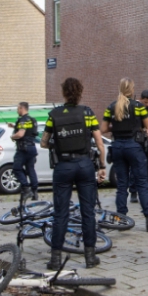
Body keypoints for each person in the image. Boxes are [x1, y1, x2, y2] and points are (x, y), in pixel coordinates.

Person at [41, 78, 106, 269]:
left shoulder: (54, 115)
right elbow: (100, 143)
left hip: (63, 167)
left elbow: (44, 142)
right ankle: (90, 257)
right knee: (88, 212)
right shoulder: (87, 113)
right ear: (80, 92)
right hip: (85, 166)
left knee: (60, 213)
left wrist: (58, 144)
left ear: (64, 93)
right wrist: (102, 166)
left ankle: (55, 259)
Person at [102, 79, 148, 234]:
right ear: (132, 90)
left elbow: (103, 128)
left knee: (122, 185)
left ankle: (121, 219)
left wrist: (116, 126)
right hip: (134, 146)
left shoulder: (112, 107)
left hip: (117, 147)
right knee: (142, 183)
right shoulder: (139, 107)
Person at [12, 102, 39, 200]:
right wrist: (13, 126)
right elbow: (29, 132)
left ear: (21, 108)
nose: (17, 110)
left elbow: (20, 134)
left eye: (18, 108)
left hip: (23, 148)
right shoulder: (32, 120)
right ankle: (34, 192)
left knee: (16, 168)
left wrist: (13, 136)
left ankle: (26, 188)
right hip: (32, 147)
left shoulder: (23, 120)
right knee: (30, 169)